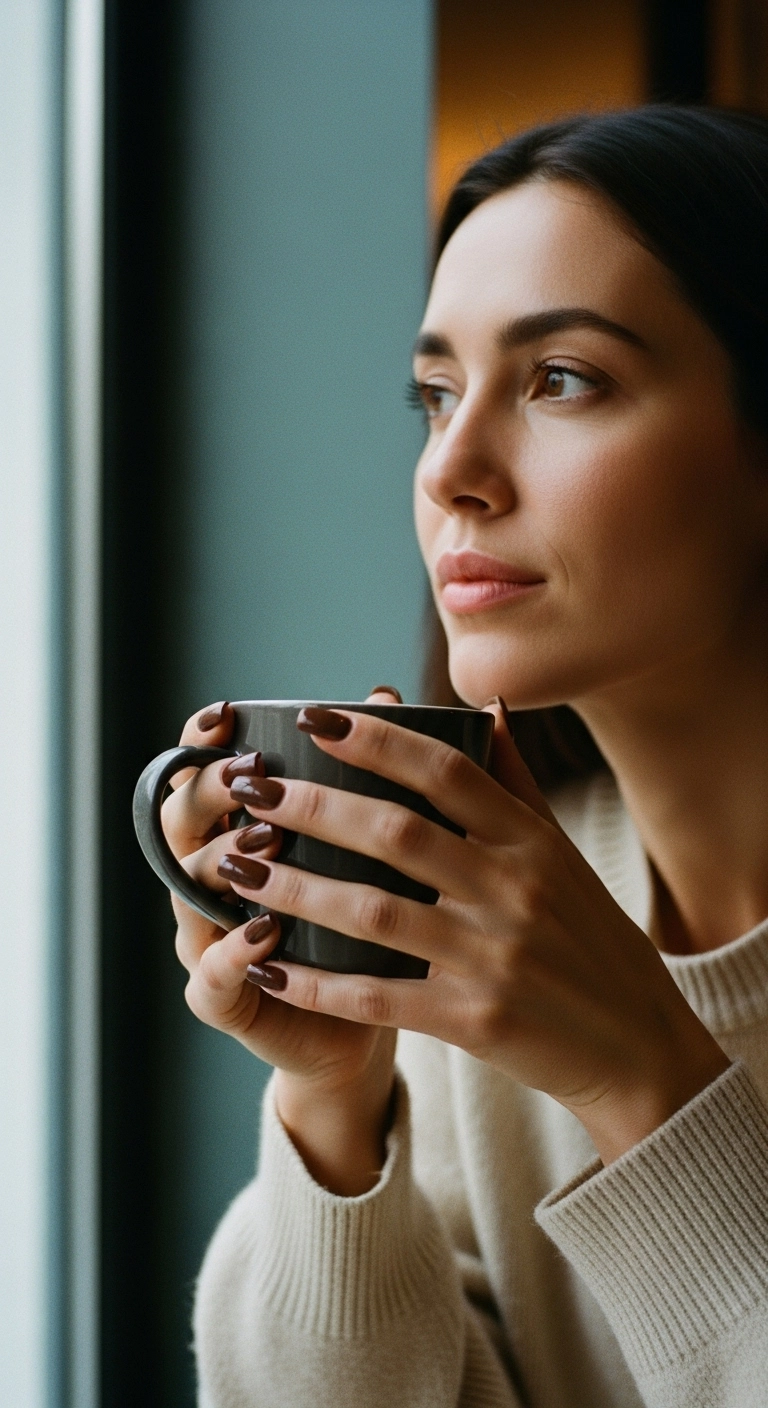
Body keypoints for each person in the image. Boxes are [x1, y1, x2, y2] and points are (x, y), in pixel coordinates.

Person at [161, 107, 768, 1407]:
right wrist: (337, 1104)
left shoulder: (521, 937)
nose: (453, 469)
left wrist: (644, 1079)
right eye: (438, 394)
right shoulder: (485, 919)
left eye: (562, 379)